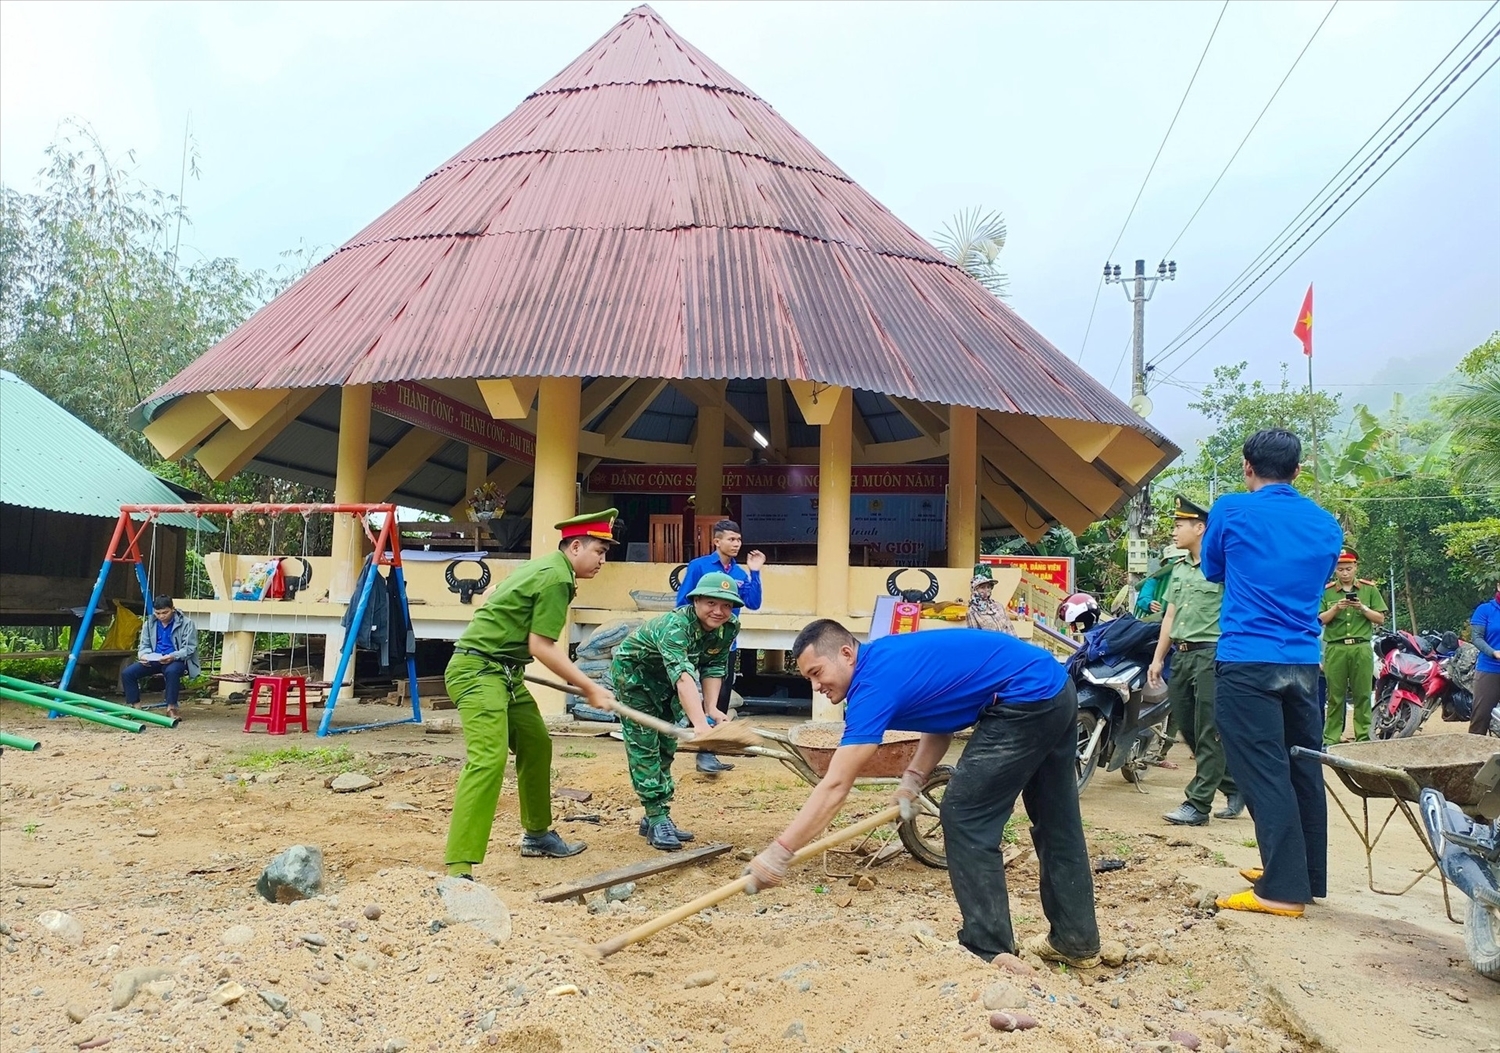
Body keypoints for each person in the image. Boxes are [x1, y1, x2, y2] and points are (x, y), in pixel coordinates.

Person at [747, 621, 1101, 969]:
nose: (815, 685)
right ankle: (1075, 940)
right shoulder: (887, 659)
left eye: (817, 672)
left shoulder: (872, 685)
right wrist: (913, 779)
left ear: (846, 653)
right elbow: (941, 718)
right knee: (1057, 819)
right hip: (1055, 689)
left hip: (1024, 700)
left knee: (965, 816)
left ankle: (987, 949)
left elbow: (837, 784)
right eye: (808, 677)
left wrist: (780, 853)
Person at [1200, 429, 1343, 918]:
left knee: (1261, 769)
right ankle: (1304, 875)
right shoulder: (1326, 524)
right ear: (1297, 471)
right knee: (1302, 765)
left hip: (1247, 659)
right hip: (1304, 662)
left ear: (1247, 467)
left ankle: (1281, 891)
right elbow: (1317, 580)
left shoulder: (1231, 510)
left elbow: (1212, 569)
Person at [443, 510, 619, 877]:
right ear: (575, 546)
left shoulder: (540, 568)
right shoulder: (557, 578)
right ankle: (459, 868)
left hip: (504, 673)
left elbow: (492, 594)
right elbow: (541, 646)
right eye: (600, 551)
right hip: (478, 671)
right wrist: (589, 687)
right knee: (488, 759)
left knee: (536, 743)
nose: (603, 560)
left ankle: (537, 835)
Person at [614, 572, 744, 850]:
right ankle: (657, 814)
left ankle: (655, 817)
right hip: (637, 680)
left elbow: (714, 666)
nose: (719, 611)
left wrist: (711, 709)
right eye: (711, 603)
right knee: (645, 745)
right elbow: (684, 676)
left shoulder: (729, 627)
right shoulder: (677, 626)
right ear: (695, 600)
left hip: (668, 686)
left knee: (666, 745)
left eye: (726, 605)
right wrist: (700, 725)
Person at [1148, 496, 1241, 825]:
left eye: (1179, 525)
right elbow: (1169, 615)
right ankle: (1234, 784)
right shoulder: (1179, 569)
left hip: (1211, 654)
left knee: (1208, 730)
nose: (1174, 531)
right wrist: (1158, 658)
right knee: (1187, 727)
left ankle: (1197, 805)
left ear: (1200, 528)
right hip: (1182, 656)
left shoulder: (1225, 568)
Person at [674, 519, 766, 774]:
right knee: (684, 689)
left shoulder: (739, 573)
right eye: (731, 539)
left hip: (724, 645)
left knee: (720, 698)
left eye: (738, 540)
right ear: (717, 541)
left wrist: (755, 572)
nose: (736, 544)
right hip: (693, 644)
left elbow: (754, 603)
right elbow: (682, 601)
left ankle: (708, 754)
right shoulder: (699, 566)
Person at [1318, 548, 1388, 745]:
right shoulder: (1327, 591)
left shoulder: (1369, 589)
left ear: (1356, 567)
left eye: (1348, 568)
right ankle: (1331, 738)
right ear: (1335, 571)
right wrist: (1335, 608)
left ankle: (1363, 736)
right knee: (1335, 696)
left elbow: (1380, 618)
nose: (1345, 573)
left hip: (1361, 647)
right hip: (1336, 648)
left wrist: (1362, 608)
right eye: (1340, 569)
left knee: (1363, 694)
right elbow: (1319, 620)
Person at [123, 596, 199, 719]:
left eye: (165, 612)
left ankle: (171, 708)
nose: (161, 616)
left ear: (173, 609)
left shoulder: (187, 623)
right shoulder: (149, 624)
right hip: (154, 659)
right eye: (158, 613)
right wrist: (144, 655)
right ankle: (136, 707)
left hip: (176, 659)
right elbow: (144, 645)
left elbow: (189, 649)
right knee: (128, 673)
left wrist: (173, 656)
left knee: (172, 671)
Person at [1469, 579, 1500, 736]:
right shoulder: (1485, 610)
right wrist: (1494, 652)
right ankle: (1474, 759)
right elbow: (1477, 638)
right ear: (1498, 586)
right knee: (1480, 717)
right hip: (1490, 669)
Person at [966, 563, 1017, 635]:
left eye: (988, 587)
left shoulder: (998, 606)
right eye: (982, 587)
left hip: (1005, 645)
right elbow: (975, 638)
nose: (986, 590)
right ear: (975, 589)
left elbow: (1011, 630)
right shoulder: (972, 611)